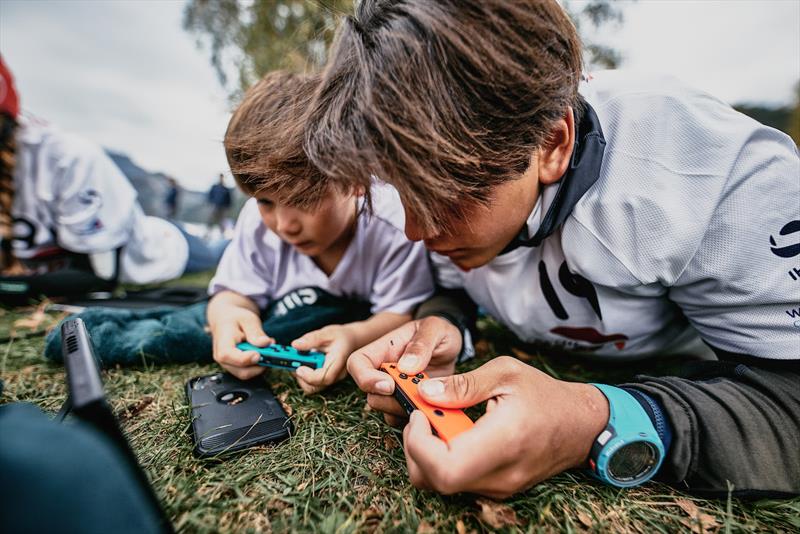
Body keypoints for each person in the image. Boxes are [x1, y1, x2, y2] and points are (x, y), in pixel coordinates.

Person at [304, 0, 800, 497]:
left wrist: (598, 421)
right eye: (400, 190)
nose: (415, 230)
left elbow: (789, 404)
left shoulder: (706, 176)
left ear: (553, 143)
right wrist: (446, 323)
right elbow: (450, 287)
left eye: (441, 195)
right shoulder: (438, 155)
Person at [207, 70, 434, 394]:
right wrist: (227, 316)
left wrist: (354, 337)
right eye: (266, 202)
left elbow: (400, 313)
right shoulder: (256, 223)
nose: (284, 225)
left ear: (355, 178)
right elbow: (231, 293)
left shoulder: (395, 225)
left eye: (302, 199)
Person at [0, 55, 228, 300]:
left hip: (164, 251)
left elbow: (99, 277)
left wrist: (13, 289)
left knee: (226, 252)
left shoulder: (68, 159)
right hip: (141, 228)